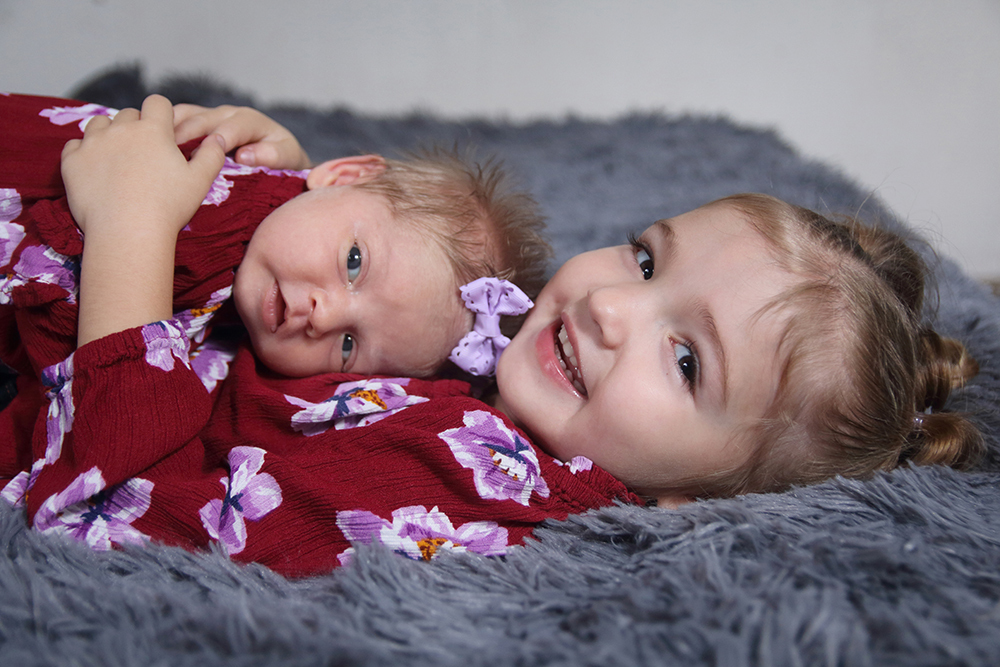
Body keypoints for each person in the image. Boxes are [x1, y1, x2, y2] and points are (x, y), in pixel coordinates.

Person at [0, 96, 985, 577]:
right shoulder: (518, 355)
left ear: (688, 499)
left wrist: (136, 228)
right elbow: (403, 265)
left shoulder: (448, 489)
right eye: (645, 260)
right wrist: (296, 199)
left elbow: (100, 514)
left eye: (685, 359)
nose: (608, 305)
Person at [0, 92, 551, 424]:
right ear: (345, 175)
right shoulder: (215, 201)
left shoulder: (234, 346)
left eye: (349, 346)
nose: (324, 315)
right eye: (354, 263)